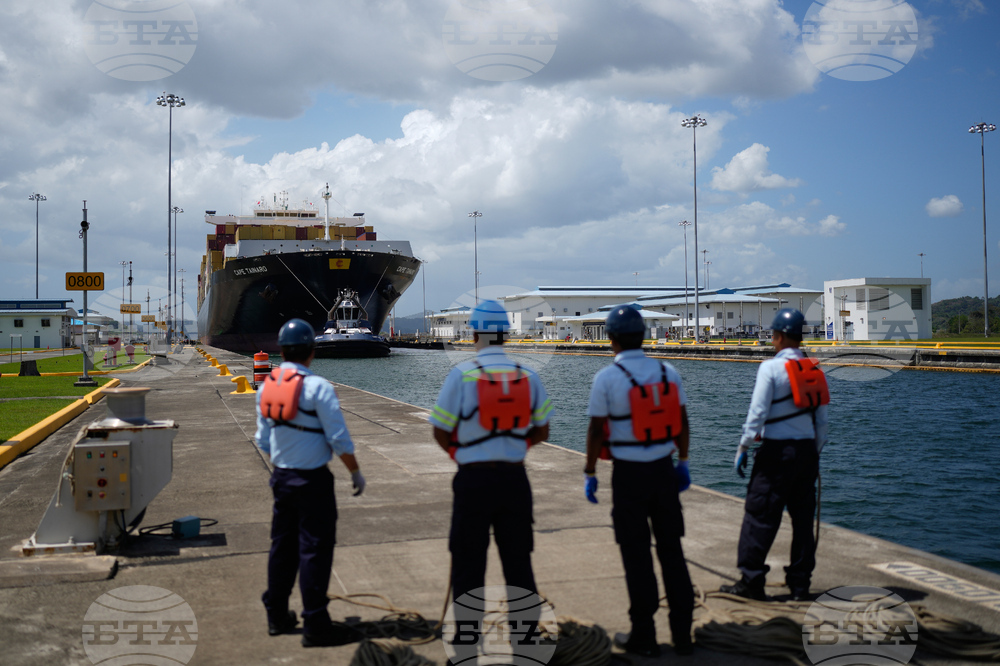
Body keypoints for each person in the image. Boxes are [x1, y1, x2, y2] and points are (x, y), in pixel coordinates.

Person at [429, 299, 553, 649]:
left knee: (468, 566)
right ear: (505, 335)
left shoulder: (461, 375)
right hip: (514, 481)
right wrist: (515, 449)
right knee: (518, 564)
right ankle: (527, 643)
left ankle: (467, 644)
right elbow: (543, 430)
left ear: (474, 334)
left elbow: (440, 429)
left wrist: (462, 455)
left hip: (473, 481)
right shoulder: (527, 375)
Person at [583, 304, 694, 658]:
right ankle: (683, 636)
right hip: (664, 470)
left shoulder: (607, 378)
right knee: (672, 553)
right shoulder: (668, 372)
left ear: (611, 339)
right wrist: (684, 462)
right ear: (643, 335)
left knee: (637, 557)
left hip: (629, 475)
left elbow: (596, 431)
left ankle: (644, 636)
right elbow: (683, 422)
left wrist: (590, 472)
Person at [255, 318, 366, 647]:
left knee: (282, 548)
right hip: (313, 481)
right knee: (314, 550)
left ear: (282, 350)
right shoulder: (319, 388)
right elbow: (339, 439)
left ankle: (276, 614)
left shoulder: (267, 386)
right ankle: (316, 622)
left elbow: (263, 440)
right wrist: (355, 471)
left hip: (282, 478)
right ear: (311, 352)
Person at [721, 308, 829, 602]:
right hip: (806, 453)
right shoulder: (814, 369)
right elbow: (822, 423)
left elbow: (757, 415)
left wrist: (743, 447)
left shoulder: (770, 368)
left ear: (779, 337)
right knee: (803, 521)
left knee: (760, 516)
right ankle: (800, 585)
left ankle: (752, 581)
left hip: (776, 454)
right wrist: (813, 454)